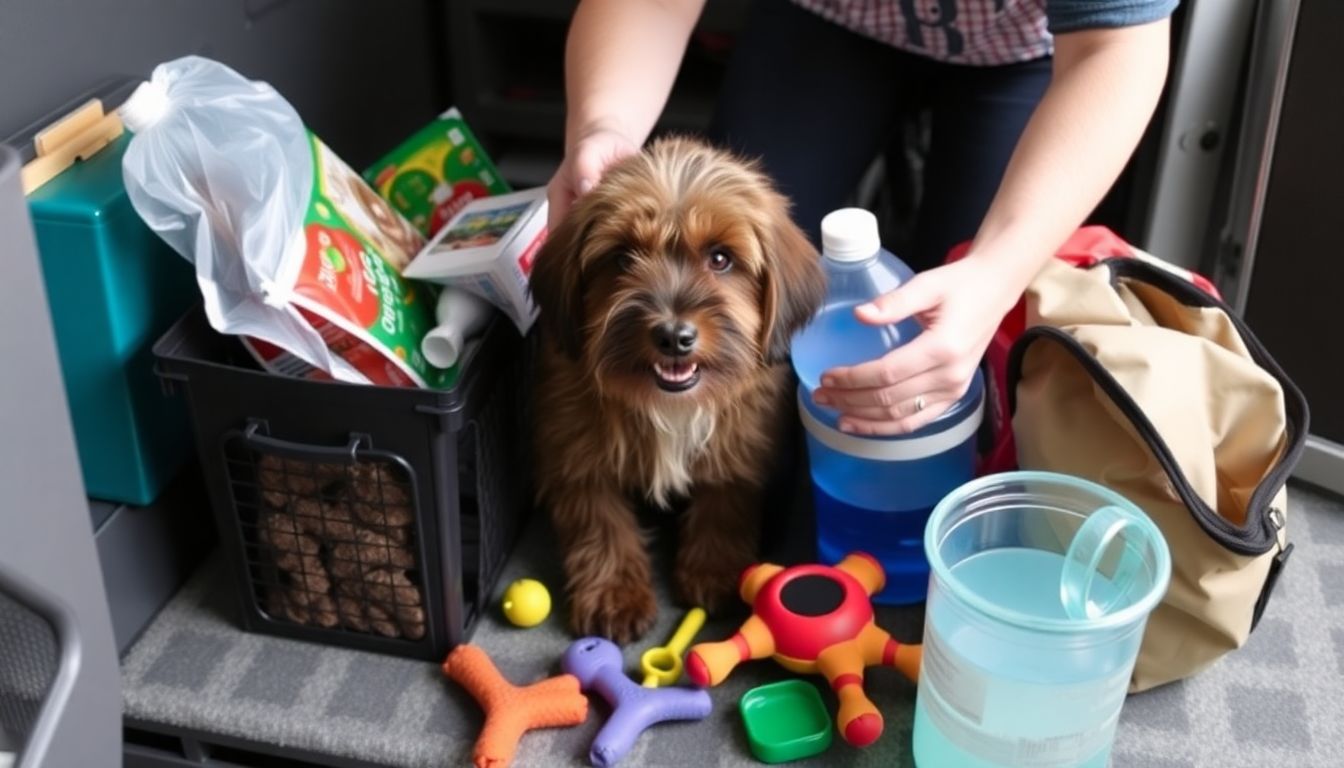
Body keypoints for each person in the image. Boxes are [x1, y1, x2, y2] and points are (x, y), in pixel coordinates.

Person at [545, 0, 1178, 436]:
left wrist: (995, 273)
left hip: (1026, 43)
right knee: (755, 308)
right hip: (828, 18)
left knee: (953, 368)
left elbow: (1114, 45)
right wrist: (603, 127)